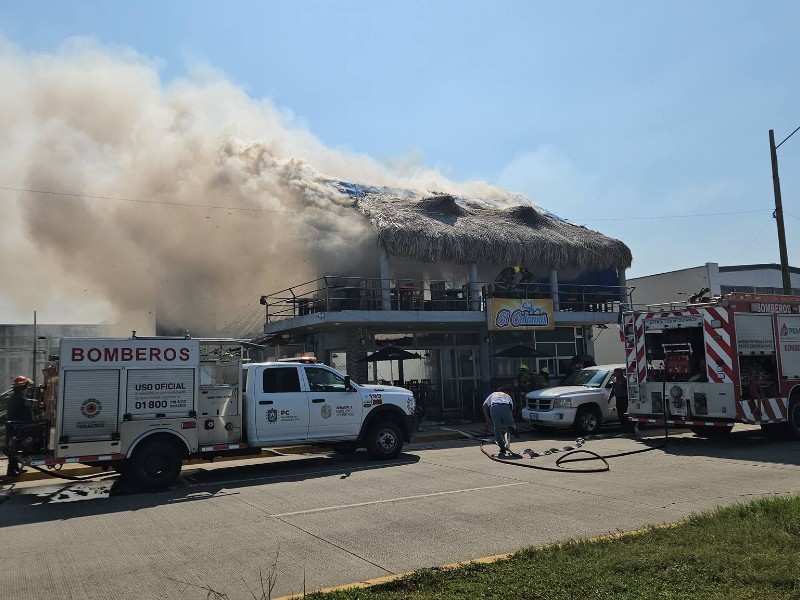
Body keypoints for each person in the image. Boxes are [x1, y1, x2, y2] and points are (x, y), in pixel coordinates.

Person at [5, 375, 35, 477]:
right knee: (14, 449)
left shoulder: (17, 396)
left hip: (17, 427)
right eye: (27, 387)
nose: (28, 389)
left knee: (16, 448)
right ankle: (11, 471)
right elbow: (29, 403)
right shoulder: (18, 397)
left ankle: (15, 468)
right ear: (23, 387)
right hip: (15, 428)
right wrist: (41, 401)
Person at [482, 387, 520, 457]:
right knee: (511, 425)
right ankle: (511, 428)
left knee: (497, 429)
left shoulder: (493, 394)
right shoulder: (507, 396)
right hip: (506, 406)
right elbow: (511, 408)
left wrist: (487, 418)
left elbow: (484, 406)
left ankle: (502, 448)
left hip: (494, 407)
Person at [607, 368, 631, 433]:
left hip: (624, 398)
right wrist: (609, 398)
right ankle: (623, 428)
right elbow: (613, 390)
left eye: (615, 372)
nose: (614, 374)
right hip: (618, 399)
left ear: (619, 373)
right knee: (619, 414)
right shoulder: (615, 379)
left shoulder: (624, 380)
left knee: (624, 414)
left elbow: (628, 390)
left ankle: (627, 429)